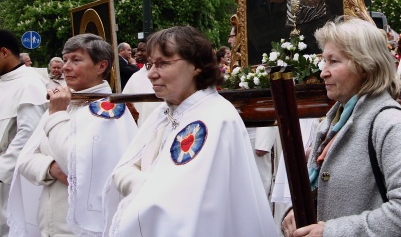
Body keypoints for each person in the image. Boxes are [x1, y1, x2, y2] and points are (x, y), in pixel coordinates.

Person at [104, 26, 276, 237]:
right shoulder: (165, 110)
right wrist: (141, 181)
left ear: (196, 65)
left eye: (163, 63)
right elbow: (127, 165)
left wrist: (137, 181)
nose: (150, 74)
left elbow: (175, 203)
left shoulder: (213, 118)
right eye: (150, 64)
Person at [282, 17, 401, 237]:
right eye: (324, 61)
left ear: (365, 66)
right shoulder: (337, 118)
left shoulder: (389, 123)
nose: (323, 72)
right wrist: (299, 213)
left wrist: (333, 232)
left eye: (333, 61)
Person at [9, 34, 137, 237]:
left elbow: (72, 164)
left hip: (82, 231)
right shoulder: (65, 102)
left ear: (101, 66)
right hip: (49, 226)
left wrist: (57, 115)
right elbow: (24, 160)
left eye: (76, 60)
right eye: (65, 59)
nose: (66, 66)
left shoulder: (108, 111)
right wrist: (50, 169)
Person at [0, 30, 48, 236]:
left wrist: (1, 171)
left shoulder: (30, 83)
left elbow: (28, 136)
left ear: (3, 52)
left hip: (10, 180)